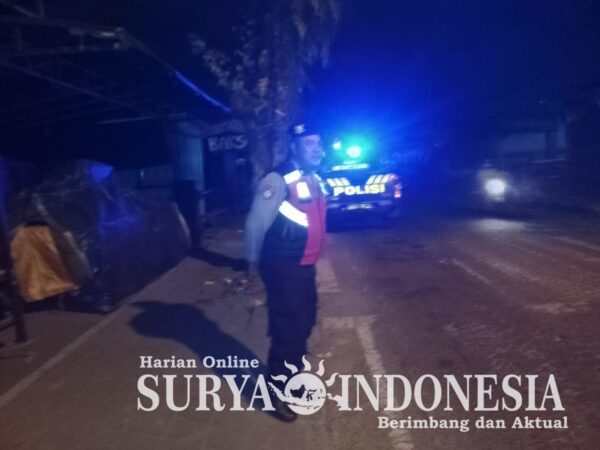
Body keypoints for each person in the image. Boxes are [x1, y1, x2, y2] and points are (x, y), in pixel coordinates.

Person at [245, 121, 327, 422]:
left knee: (304, 324)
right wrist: (252, 262)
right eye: (308, 143)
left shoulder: (314, 177)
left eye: (319, 142)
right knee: (289, 330)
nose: (316, 148)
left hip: (303, 265)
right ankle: (276, 394)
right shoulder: (278, 178)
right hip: (283, 266)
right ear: (294, 147)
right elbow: (256, 222)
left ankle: (292, 378)